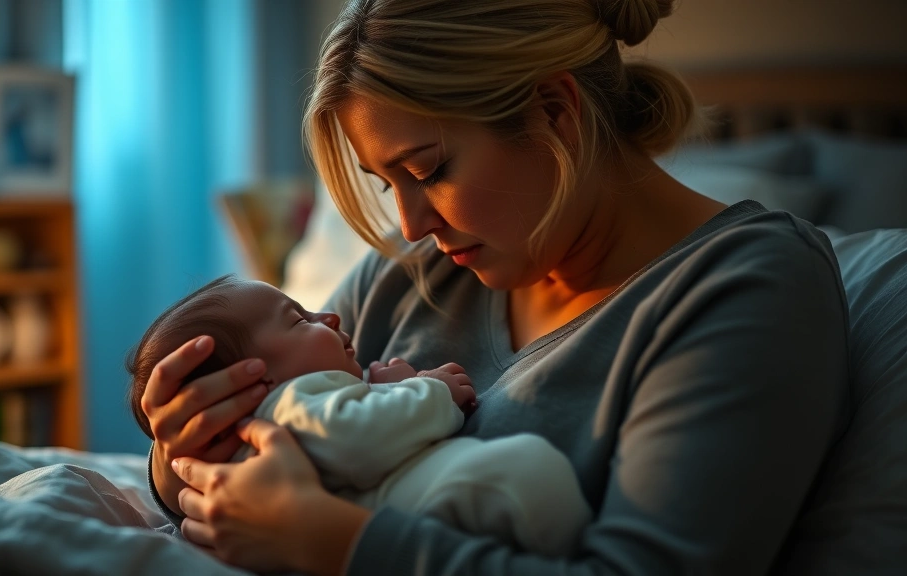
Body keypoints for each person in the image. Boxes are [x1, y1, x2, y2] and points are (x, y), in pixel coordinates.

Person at [140, 0, 850, 574]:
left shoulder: (744, 289)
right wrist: (181, 460)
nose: (411, 225)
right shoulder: (414, 276)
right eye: (388, 185)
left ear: (554, 111)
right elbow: (260, 457)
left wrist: (337, 546)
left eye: (429, 171)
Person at [126, 275, 592, 555]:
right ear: (252, 382)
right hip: (464, 496)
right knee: (525, 471)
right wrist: (427, 391)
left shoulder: (305, 398)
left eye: (429, 170)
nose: (329, 316)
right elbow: (359, 435)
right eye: (298, 319)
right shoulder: (291, 404)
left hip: (430, 524)